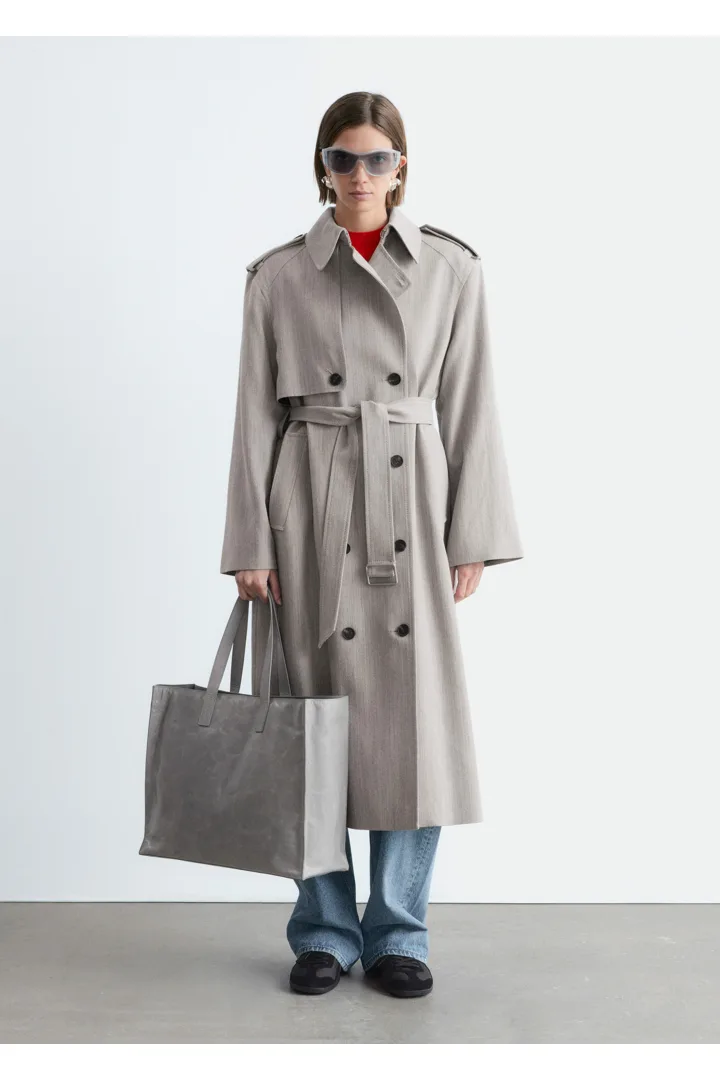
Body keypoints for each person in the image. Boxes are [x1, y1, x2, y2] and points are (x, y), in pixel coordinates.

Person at [220, 91, 524, 998]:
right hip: (308, 509)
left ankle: (399, 933)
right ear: (322, 167)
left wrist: (473, 532)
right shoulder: (278, 276)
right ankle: (323, 930)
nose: (360, 175)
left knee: (411, 731)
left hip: (411, 508)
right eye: (342, 158)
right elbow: (252, 418)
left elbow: (471, 404)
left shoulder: (451, 269)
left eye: (376, 158)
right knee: (310, 725)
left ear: (402, 167)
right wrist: (250, 541)